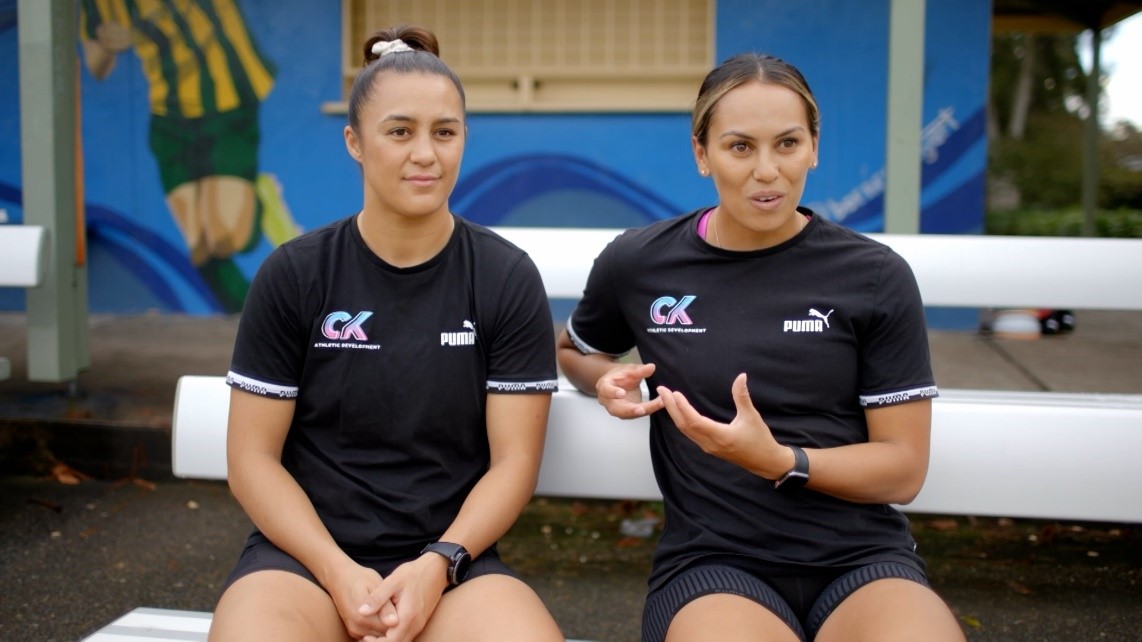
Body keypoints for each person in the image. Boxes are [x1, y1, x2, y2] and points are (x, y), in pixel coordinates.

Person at [557, 52, 966, 642]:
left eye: (787, 144)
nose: (767, 170)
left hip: (861, 561)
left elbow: (902, 470)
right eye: (740, 147)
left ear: (814, 148)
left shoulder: (874, 275)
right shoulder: (641, 262)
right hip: (713, 564)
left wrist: (779, 461)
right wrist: (599, 378)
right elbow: (571, 348)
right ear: (703, 155)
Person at [209, 25, 563, 642]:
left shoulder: (504, 277)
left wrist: (437, 564)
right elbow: (251, 458)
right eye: (399, 131)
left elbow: (514, 461)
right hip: (305, 566)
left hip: (454, 566)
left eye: (444, 132)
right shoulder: (295, 274)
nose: (425, 153)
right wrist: (337, 572)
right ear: (355, 141)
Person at [80, 0, 301, 313]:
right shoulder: (103, 5)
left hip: (229, 103)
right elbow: (95, 63)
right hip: (168, 117)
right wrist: (106, 43)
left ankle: (260, 199)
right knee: (200, 248)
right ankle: (258, 317)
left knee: (225, 239)